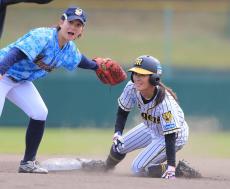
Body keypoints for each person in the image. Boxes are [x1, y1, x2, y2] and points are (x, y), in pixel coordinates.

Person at [0, 6, 108, 174]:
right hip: (4, 72)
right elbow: (15, 54)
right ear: (61, 22)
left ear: (81, 31)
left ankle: (28, 163)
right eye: (70, 22)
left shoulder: (69, 49)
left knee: (40, 112)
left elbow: (80, 61)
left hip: (20, 81)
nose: (73, 27)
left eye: (78, 25)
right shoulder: (42, 36)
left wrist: (96, 67)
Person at [104, 55, 189, 179]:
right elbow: (123, 111)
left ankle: (179, 169)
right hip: (151, 127)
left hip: (173, 135)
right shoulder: (131, 87)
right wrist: (118, 132)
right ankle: (105, 168)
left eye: (142, 75)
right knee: (119, 144)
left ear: (154, 78)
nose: (137, 78)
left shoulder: (165, 103)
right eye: (135, 74)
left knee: (137, 168)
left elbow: (170, 136)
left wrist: (171, 166)